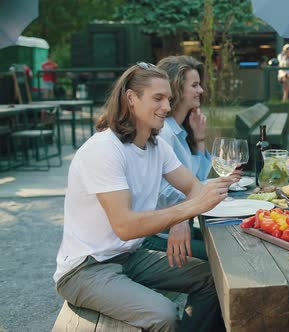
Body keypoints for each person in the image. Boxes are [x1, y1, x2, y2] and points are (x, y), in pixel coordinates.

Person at [53, 62, 235, 331]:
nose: (166, 107)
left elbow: (194, 188)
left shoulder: (157, 145)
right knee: (163, 314)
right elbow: (125, 226)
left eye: (169, 99)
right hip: (85, 270)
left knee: (213, 280)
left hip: (130, 257)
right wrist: (185, 211)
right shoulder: (104, 149)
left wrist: (183, 217)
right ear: (131, 99)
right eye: (157, 98)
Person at [141, 55, 212, 262]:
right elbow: (162, 192)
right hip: (157, 236)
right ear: (177, 88)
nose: (201, 91)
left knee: (229, 243)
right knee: (221, 258)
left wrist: (199, 140)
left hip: (177, 225)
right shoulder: (163, 134)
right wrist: (203, 193)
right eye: (195, 85)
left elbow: (195, 179)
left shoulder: (179, 131)